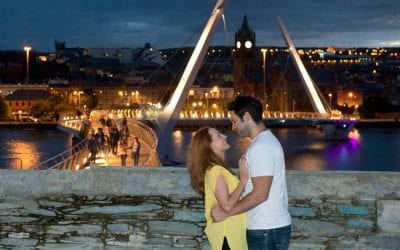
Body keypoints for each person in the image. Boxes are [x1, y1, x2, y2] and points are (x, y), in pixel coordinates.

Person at [211, 96, 292, 250]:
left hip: (266, 230)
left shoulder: (263, 147)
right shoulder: (263, 143)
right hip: (266, 229)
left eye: (234, 121)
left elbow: (261, 194)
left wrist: (227, 213)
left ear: (247, 117)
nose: (233, 128)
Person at [187, 126, 249, 250]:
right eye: (219, 136)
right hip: (228, 236)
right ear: (208, 146)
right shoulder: (216, 170)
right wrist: (243, 181)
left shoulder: (214, 169)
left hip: (228, 235)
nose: (225, 136)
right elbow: (226, 206)